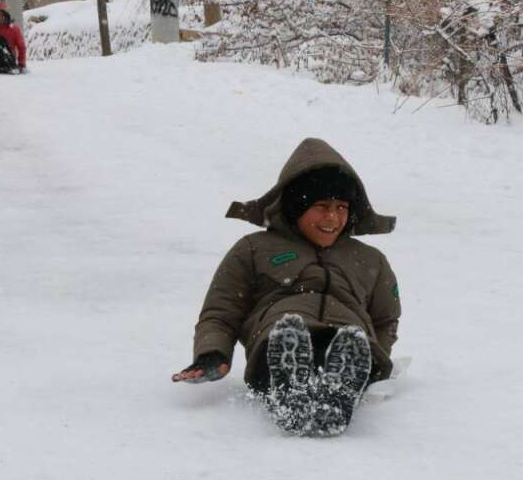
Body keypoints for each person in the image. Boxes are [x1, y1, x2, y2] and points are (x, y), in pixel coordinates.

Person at [172, 138, 401, 437]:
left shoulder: (370, 259)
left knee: (348, 342)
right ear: (296, 207)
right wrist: (213, 353)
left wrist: (377, 352)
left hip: (348, 340)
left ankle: (341, 385)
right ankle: (289, 386)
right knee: (290, 333)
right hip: (277, 340)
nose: (332, 218)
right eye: (321, 207)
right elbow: (221, 311)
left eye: (341, 207)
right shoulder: (254, 248)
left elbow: (385, 319)